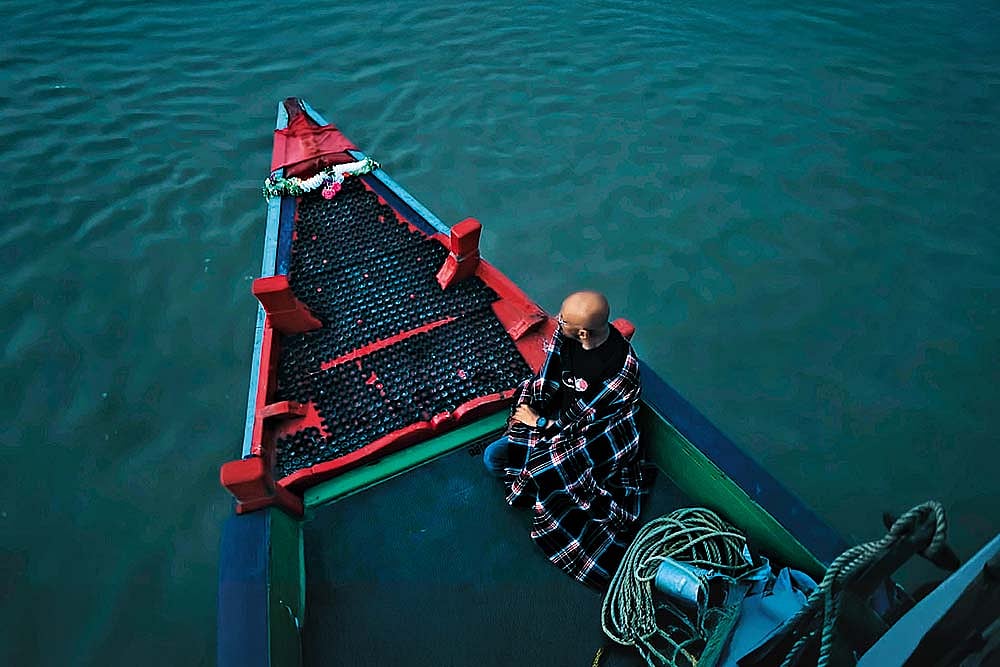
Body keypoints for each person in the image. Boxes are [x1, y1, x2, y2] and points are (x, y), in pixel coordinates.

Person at [483, 290, 646, 589]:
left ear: (584, 332)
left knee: (544, 470)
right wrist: (536, 412)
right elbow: (549, 377)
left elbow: (596, 425)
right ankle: (543, 487)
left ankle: (547, 493)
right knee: (493, 458)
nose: (557, 320)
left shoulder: (619, 371)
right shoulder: (568, 338)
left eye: (565, 320)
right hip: (558, 423)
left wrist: (539, 423)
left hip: (588, 440)